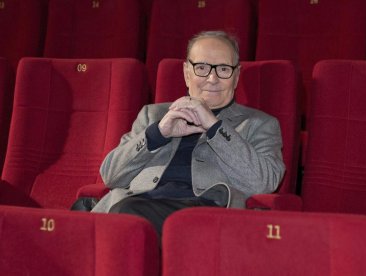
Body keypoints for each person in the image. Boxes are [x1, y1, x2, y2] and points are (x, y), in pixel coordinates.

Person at [91, 30, 285, 235]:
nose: (212, 78)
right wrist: (157, 134)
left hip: (202, 216)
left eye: (223, 69)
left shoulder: (260, 123)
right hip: (138, 203)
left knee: (125, 216)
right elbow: (111, 176)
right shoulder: (153, 115)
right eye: (201, 67)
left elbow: (264, 182)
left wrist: (214, 126)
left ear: (236, 77)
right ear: (186, 73)